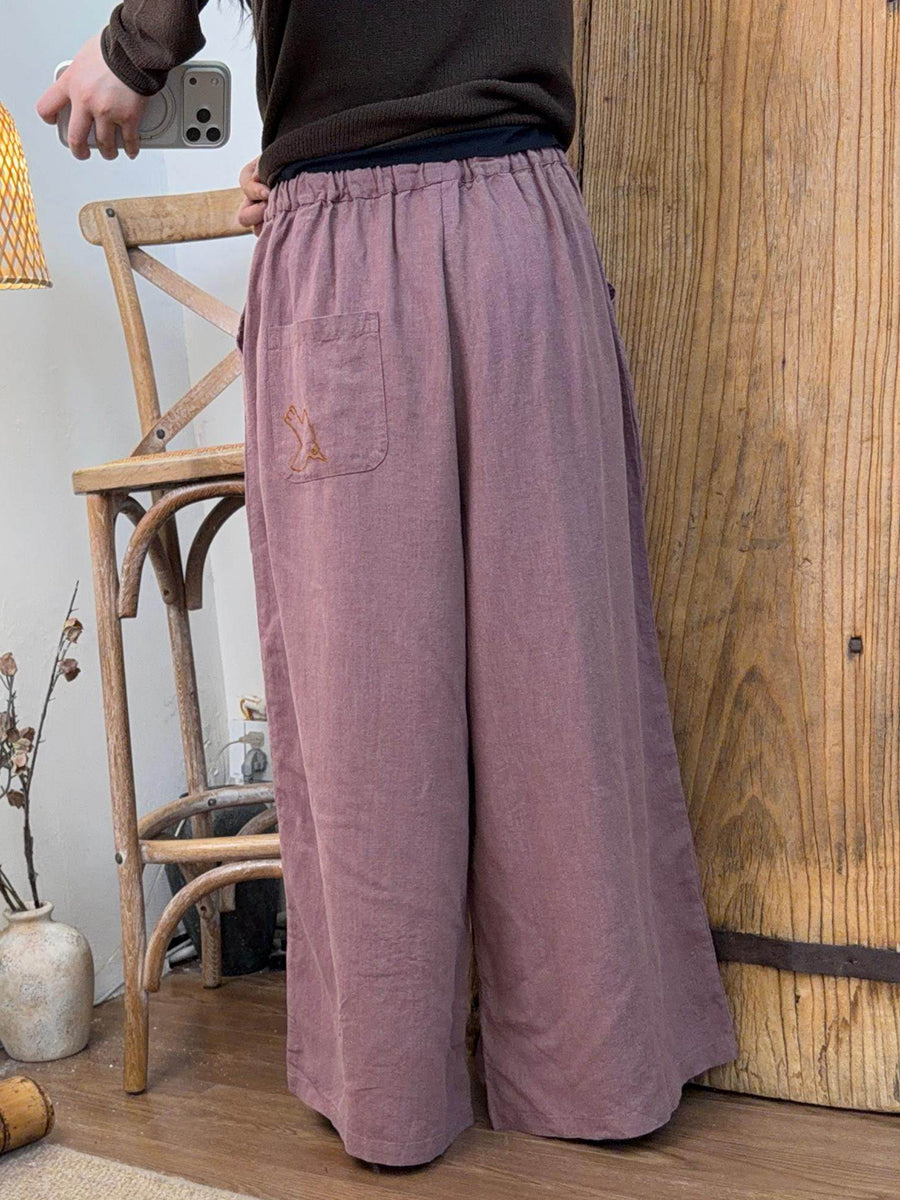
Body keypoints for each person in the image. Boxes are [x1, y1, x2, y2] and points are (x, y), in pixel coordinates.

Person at [37, 1, 738, 1169]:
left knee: (366, 706)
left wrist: (131, 49)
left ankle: (395, 1086)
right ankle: (596, 1067)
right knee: (557, 682)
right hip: (515, 230)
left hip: (351, 245)